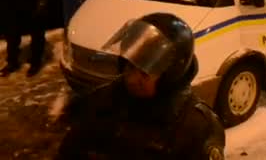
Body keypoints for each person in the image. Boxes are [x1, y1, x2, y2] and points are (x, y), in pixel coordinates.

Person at [57, 13, 226, 159]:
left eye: (145, 74)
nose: (131, 79)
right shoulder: (103, 101)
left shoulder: (197, 128)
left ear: (170, 77)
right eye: (130, 67)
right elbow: (71, 149)